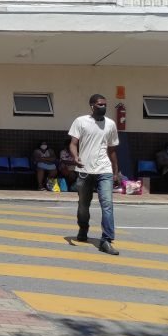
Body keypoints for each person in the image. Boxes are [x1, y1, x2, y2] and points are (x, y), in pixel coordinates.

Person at [69, 94, 121, 255]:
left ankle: (106, 240)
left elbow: (112, 149)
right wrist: (75, 157)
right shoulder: (81, 121)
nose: (103, 107)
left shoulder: (111, 124)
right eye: (100, 104)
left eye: (105, 104)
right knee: (83, 205)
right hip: (85, 171)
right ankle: (83, 229)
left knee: (107, 204)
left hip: (104, 170)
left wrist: (115, 171)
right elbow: (73, 143)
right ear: (92, 106)